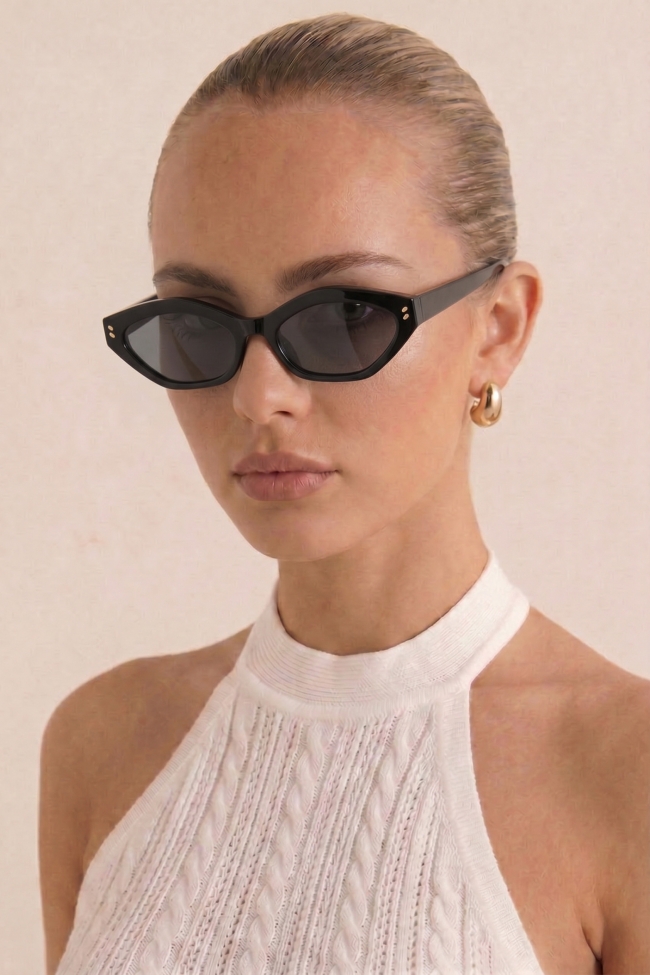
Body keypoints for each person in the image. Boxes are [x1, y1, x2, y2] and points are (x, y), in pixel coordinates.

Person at [39, 13, 650, 975]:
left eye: (344, 315)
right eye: (197, 323)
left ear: (498, 326)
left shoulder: (623, 773)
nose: (258, 397)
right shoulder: (104, 744)